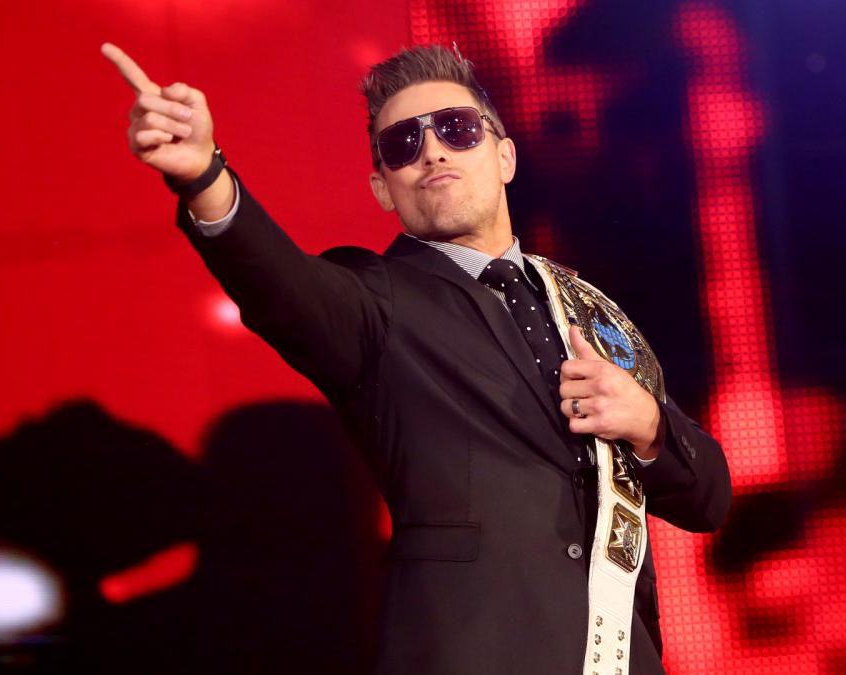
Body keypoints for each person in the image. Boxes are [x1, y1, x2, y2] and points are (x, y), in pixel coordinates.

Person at [103, 42, 731, 675]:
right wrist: (204, 177)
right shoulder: (376, 302)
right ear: (383, 189)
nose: (432, 151)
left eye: (457, 129)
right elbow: (279, 284)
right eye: (403, 144)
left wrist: (649, 425)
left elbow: (708, 499)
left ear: (505, 157)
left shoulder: (585, 308)